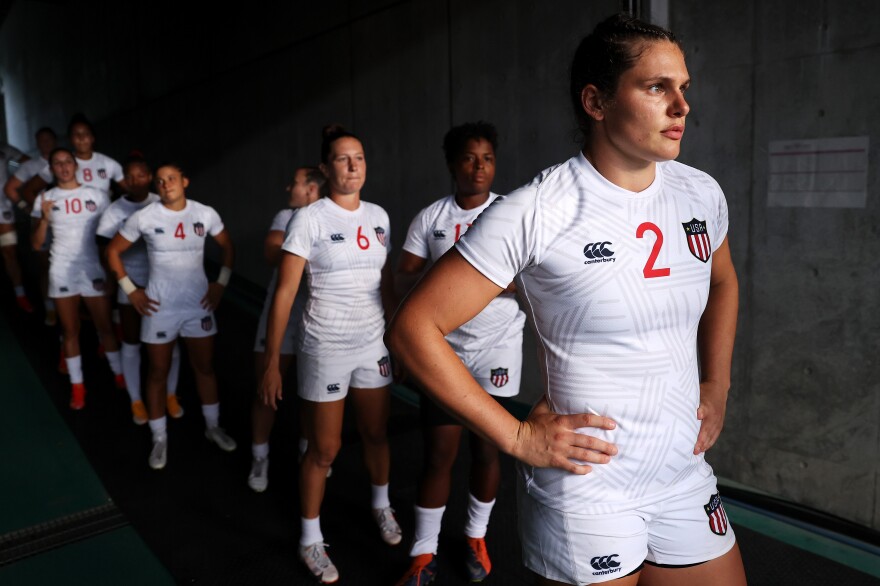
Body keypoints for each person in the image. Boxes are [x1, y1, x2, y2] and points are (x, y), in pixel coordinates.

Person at [387, 13, 746, 586]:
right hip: (589, 486)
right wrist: (516, 436)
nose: (681, 106)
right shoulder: (538, 209)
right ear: (596, 102)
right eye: (657, 87)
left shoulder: (700, 191)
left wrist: (718, 385)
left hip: (682, 473)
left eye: (683, 88)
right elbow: (413, 327)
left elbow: (722, 281)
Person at [261, 126, 401, 583]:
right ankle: (310, 539)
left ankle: (381, 506)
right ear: (326, 168)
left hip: (372, 343)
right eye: (342, 159)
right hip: (324, 346)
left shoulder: (379, 216)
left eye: (359, 157)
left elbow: (384, 284)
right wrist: (271, 363)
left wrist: (396, 339)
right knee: (324, 449)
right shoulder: (310, 219)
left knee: (377, 433)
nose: (353, 166)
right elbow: (285, 292)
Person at [395, 122, 525, 585]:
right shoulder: (432, 217)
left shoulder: (511, 214)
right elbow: (402, 275)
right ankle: (423, 552)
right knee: (438, 454)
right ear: (453, 164)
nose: (479, 167)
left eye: (487, 158)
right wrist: (434, 291)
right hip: (443, 351)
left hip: (498, 350)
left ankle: (475, 536)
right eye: (469, 158)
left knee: (487, 451)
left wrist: (478, 281)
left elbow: (531, 279)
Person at [106, 162, 236, 470]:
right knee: (157, 373)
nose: (166, 184)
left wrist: (221, 283)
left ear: (185, 181)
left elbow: (228, 246)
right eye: (160, 181)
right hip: (159, 307)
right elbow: (112, 251)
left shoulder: (204, 213)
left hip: (198, 306)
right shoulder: (145, 216)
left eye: (172, 179)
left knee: (204, 368)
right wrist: (131, 290)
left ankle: (213, 425)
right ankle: (159, 436)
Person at [248, 165, 324, 493]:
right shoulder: (286, 216)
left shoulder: (334, 216)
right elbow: (270, 253)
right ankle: (259, 456)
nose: (287, 188)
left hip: (317, 318)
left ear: (310, 189)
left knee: (313, 395)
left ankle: (308, 453)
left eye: (293, 183)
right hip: (281, 316)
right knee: (267, 389)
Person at [31, 147, 125, 409]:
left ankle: (119, 375)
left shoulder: (96, 195)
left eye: (67, 162)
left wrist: (109, 270)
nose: (63, 167)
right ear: (52, 169)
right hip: (61, 269)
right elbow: (37, 244)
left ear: (75, 166)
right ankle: (78, 386)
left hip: (92, 267)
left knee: (105, 327)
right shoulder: (45, 199)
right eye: (57, 163)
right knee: (70, 330)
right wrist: (44, 220)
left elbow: (110, 238)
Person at [96, 155, 182, 425]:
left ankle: (170, 394)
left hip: (163, 284)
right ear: (124, 180)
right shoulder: (115, 211)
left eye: (141, 175)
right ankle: (136, 400)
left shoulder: (161, 203)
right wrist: (120, 283)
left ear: (150, 177)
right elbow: (106, 249)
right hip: (130, 285)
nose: (135, 181)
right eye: (129, 176)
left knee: (171, 344)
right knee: (132, 342)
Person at [4, 127, 57, 320]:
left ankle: (72, 307)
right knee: (45, 266)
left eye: (48, 139)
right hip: (41, 221)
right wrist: (27, 208)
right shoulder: (33, 167)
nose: (45, 143)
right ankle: (50, 307)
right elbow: (13, 188)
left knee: (67, 263)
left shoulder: (65, 161)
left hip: (68, 222)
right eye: (41, 140)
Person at [29, 114, 126, 199]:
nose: (81, 138)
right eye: (76, 134)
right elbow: (28, 191)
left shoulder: (108, 163)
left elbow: (132, 189)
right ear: (70, 139)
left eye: (86, 134)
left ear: (92, 138)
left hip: (103, 218)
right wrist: (43, 214)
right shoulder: (61, 164)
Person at [0, 139, 32, 312]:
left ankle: (20, 294)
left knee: (9, 251)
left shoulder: (5, 149)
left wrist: (16, 177)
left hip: (3, 208)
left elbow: (28, 162)